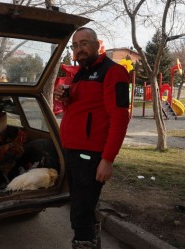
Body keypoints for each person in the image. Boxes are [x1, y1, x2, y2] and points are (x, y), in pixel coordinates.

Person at [54, 27, 130, 249]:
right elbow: (82, 108)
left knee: (80, 211)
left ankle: (84, 242)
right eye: (75, 45)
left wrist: (107, 159)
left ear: (98, 45)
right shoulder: (80, 73)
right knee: (82, 205)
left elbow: (119, 118)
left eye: (85, 43)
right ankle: (92, 239)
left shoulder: (113, 72)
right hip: (73, 151)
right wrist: (65, 98)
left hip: (91, 154)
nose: (79, 49)